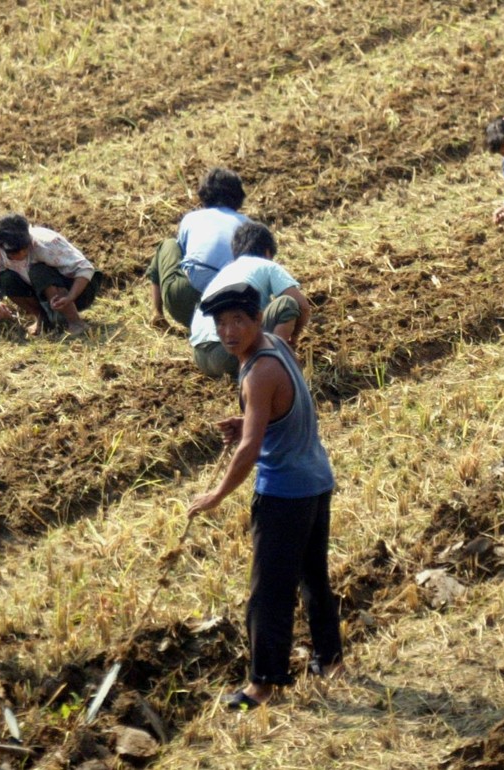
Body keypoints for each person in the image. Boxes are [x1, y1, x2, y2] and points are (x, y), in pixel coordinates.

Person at [186, 283, 341, 711]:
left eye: (238, 320)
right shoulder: (274, 344)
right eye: (220, 323)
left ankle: (263, 684)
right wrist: (253, 419)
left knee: (268, 591)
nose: (229, 331)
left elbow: (250, 450)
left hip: (285, 493)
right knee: (313, 577)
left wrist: (216, 494)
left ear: (256, 318)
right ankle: (331, 660)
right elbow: (286, 406)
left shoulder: (258, 372)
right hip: (316, 479)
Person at [190, 222, 311, 379]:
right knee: (287, 304)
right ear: (268, 253)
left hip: (201, 357)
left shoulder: (225, 272)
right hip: (228, 355)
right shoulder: (267, 265)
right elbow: (303, 306)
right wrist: (294, 336)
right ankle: (277, 365)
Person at [146, 167, 250, 328]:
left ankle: (157, 313)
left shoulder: (192, 218)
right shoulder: (248, 225)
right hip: (233, 312)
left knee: (168, 244)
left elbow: (183, 257)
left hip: (185, 304)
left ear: (204, 194)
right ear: (238, 196)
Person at [0, 213, 102, 336]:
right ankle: (43, 319)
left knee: (38, 271)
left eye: (25, 248)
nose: (22, 254)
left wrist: (70, 296)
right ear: (0, 247)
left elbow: (84, 268)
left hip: (78, 292)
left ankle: (75, 321)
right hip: (41, 296)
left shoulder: (46, 243)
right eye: (14, 252)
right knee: (7, 279)